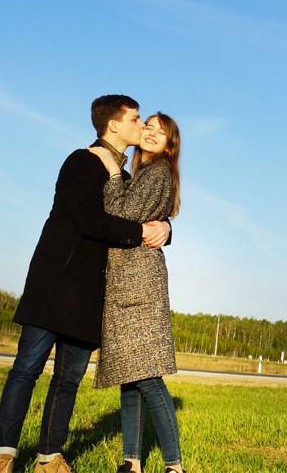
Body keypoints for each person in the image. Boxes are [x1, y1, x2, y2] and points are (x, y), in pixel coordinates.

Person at [0, 96, 170, 473]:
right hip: (54, 283)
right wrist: (140, 230)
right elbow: (88, 219)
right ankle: (5, 452)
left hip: (90, 295)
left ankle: (49, 457)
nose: (142, 125)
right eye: (136, 118)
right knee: (26, 369)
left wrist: (166, 229)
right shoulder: (82, 161)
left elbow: (142, 209)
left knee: (68, 380)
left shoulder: (125, 178)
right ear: (113, 125)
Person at [90, 113, 185, 473]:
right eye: (148, 125)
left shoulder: (158, 172)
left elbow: (120, 212)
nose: (150, 133)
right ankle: (132, 461)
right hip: (125, 283)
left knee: (147, 375)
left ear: (168, 145)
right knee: (129, 377)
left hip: (138, 285)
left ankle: (174, 466)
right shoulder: (143, 174)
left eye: (160, 132)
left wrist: (112, 174)